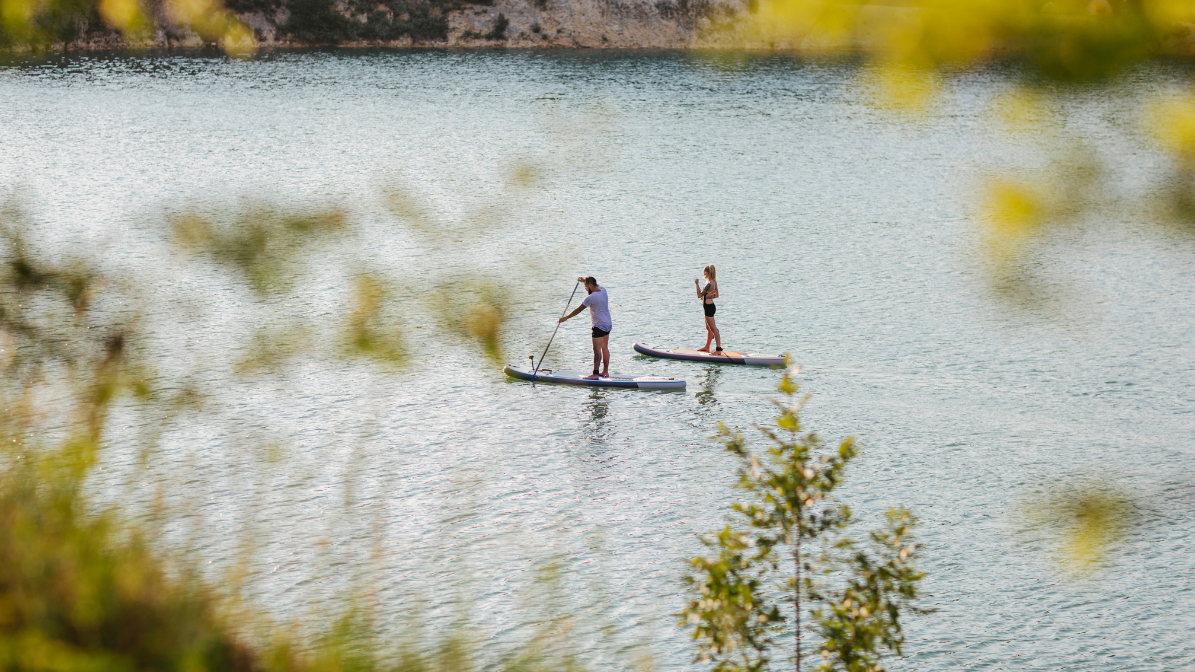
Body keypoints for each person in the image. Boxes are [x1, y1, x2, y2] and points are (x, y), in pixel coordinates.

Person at [559, 276, 611, 379]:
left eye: (586, 287)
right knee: (604, 348)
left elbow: (578, 310)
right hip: (608, 324)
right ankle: (605, 371)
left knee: (596, 350)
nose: (586, 289)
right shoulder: (603, 290)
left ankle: (595, 374)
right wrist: (584, 281)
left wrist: (566, 318)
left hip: (598, 326)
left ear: (590, 285)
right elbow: (595, 284)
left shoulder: (590, 298)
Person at [695, 264, 722, 354]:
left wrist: (697, 284)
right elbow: (716, 295)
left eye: (704, 272)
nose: (703, 274)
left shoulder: (709, 284)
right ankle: (707, 347)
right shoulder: (714, 282)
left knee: (713, 328)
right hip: (710, 306)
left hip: (709, 308)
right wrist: (709, 297)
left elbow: (699, 295)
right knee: (709, 328)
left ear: (708, 272)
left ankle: (718, 350)